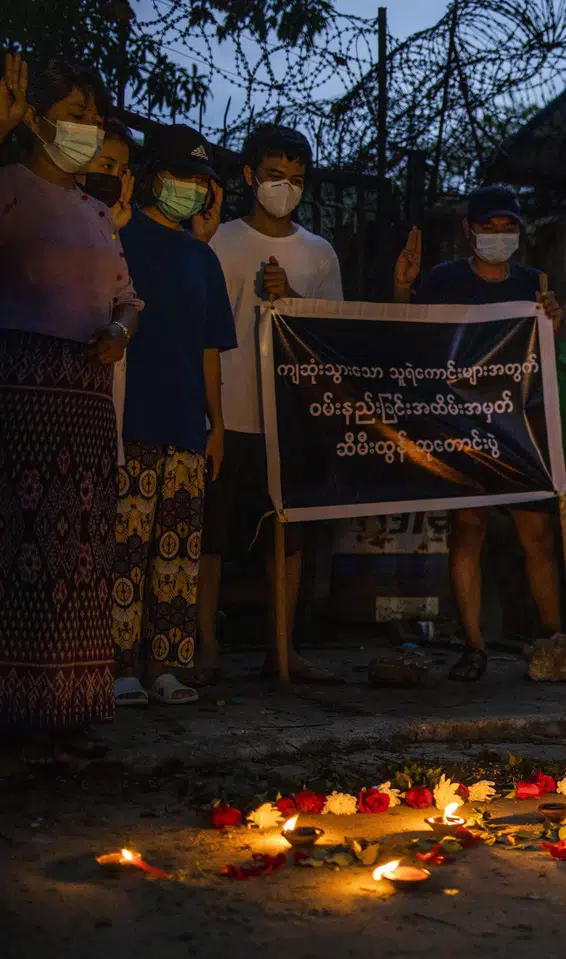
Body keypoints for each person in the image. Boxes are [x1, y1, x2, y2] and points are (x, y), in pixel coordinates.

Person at [0, 54, 139, 762]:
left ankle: (71, 703)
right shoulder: (11, 190)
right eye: (78, 116)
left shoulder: (94, 210)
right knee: (19, 547)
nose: (88, 130)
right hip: (22, 390)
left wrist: (119, 330)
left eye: (94, 118)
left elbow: (125, 293)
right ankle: (18, 706)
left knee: (81, 553)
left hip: (87, 396)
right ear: (36, 118)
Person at [393, 185, 564, 681]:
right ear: (469, 229)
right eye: (487, 227)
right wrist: (404, 288)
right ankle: (473, 645)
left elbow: (549, 353)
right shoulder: (445, 280)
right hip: (464, 424)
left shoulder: (534, 283)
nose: (497, 236)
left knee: (538, 536)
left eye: (507, 227)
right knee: (467, 531)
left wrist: (555, 321)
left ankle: (553, 642)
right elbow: (409, 335)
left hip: (521, 426)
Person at [197, 123, 344, 686]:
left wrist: (294, 300)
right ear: (250, 176)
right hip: (226, 411)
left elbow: (333, 334)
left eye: (297, 179)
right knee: (211, 533)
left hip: (289, 416)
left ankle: (281, 649)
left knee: (287, 538)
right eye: (276, 176)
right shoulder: (219, 239)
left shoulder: (318, 253)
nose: (286, 187)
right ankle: (205, 643)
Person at [109, 123, 236, 707]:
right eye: (184, 175)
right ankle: (117, 665)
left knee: (177, 553)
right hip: (130, 416)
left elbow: (211, 347)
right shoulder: (118, 238)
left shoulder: (201, 258)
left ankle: (166, 665)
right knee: (125, 548)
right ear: (152, 176)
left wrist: (217, 424)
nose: (193, 188)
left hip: (188, 423)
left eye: (201, 180)